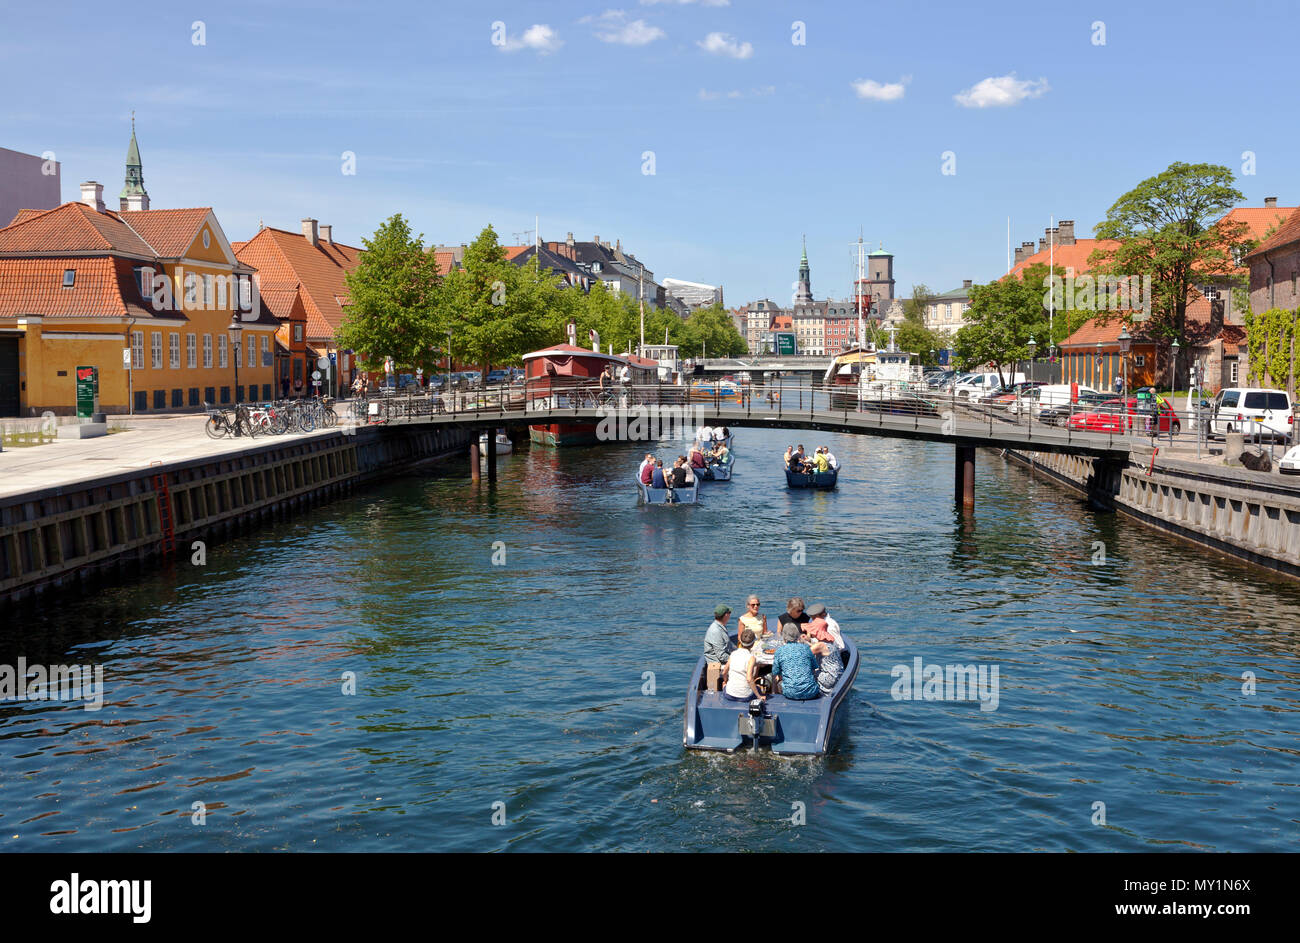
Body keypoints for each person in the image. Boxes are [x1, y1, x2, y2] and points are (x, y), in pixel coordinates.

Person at [770, 623, 821, 700]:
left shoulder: (779, 651)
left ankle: (774, 696)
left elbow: (775, 672)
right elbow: (814, 668)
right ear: (797, 635)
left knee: (776, 680)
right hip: (811, 692)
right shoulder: (806, 648)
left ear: (784, 636)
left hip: (790, 693)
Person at [723, 629, 762, 701]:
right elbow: (749, 678)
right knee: (759, 689)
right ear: (753, 644)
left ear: (740, 642)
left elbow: (724, 672)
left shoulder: (733, 654)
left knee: (725, 686)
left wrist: (725, 681)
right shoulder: (751, 658)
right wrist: (759, 696)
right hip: (745, 696)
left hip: (729, 694)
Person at [703, 604, 734, 691]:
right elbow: (721, 656)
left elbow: (728, 645)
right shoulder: (716, 631)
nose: (730, 615)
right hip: (718, 664)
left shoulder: (720, 626)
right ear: (726, 615)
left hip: (724, 659)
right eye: (729, 612)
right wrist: (736, 659)